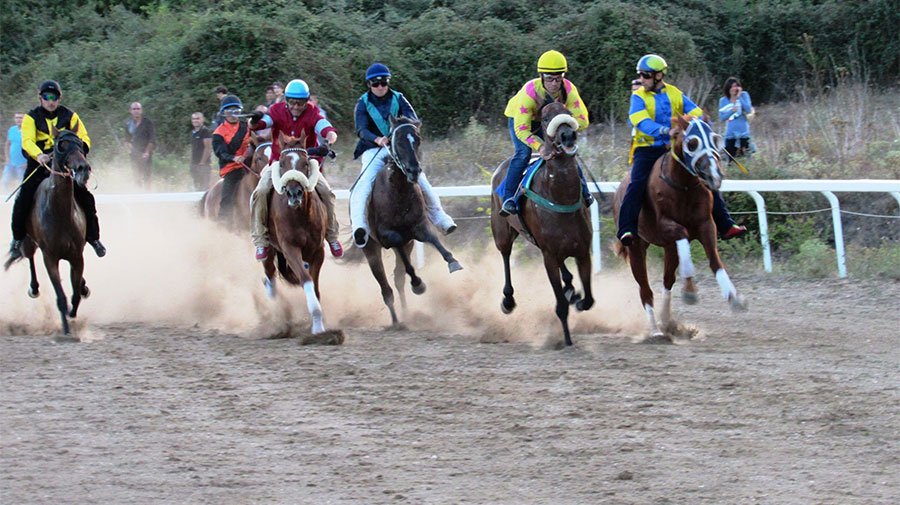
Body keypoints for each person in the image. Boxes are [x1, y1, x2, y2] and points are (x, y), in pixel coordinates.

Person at [617, 54, 746, 246]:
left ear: (658, 76)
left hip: (675, 149)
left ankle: (726, 224)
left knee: (704, 176)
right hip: (647, 149)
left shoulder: (675, 93)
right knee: (636, 183)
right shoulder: (638, 96)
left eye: (645, 75)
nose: (642, 79)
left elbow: (697, 112)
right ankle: (627, 228)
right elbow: (640, 121)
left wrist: (688, 121)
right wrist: (666, 129)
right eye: (641, 75)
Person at [349, 62, 457, 248]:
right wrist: (377, 139)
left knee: (421, 180)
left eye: (384, 82)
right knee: (363, 184)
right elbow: (361, 129)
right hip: (373, 149)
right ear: (369, 85)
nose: (380, 87)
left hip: (398, 147)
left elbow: (412, 120)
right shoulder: (363, 103)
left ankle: (440, 218)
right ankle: (360, 228)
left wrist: (400, 134)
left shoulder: (399, 98)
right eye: (376, 83)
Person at [8, 80, 105, 260]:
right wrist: (39, 155)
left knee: (86, 198)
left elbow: (84, 137)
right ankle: (17, 240)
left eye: (54, 97)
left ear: (59, 99)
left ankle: (93, 237)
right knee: (23, 198)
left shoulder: (70, 116)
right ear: (41, 98)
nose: (50, 101)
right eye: (47, 97)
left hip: (64, 166)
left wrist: (79, 155)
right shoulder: (31, 118)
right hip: (39, 165)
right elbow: (27, 141)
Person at [248, 79, 343, 259]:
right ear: (286, 101)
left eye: (300, 103)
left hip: (306, 164)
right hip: (279, 163)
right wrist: (255, 120)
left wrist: (329, 141)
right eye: (292, 102)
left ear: (307, 101)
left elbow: (327, 129)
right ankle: (260, 240)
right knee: (259, 192)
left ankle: (332, 236)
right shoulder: (276, 111)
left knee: (327, 193)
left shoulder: (313, 112)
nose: (296, 107)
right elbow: (263, 123)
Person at [499, 50, 593, 216]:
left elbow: (583, 119)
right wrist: (540, 146)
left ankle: (584, 192)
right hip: (522, 121)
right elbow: (522, 130)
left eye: (559, 77)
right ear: (541, 76)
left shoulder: (569, 89)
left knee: (566, 150)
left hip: (551, 121)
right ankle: (509, 198)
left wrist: (566, 125)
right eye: (549, 78)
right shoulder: (530, 93)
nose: (555, 83)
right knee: (523, 153)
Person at [211, 95, 251, 226]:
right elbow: (220, 152)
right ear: (224, 113)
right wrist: (234, 158)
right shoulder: (218, 132)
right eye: (229, 112)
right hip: (232, 168)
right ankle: (223, 222)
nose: (233, 115)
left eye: (236, 111)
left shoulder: (247, 127)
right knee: (227, 198)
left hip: (249, 164)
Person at [718, 76, 755, 161]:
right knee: (731, 161)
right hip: (730, 135)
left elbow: (748, 109)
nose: (734, 88)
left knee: (747, 160)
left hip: (744, 133)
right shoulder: (723, 100)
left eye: (736, 86)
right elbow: (721, 118)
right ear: (728, 88)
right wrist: (732, 111)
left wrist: (738, 97)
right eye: (732, 86)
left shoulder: (744, 95)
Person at [124, 101, 156, 189]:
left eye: (138, 109)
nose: (136, 111)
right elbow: (127, 140)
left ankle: (148, 195)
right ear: (130, 111)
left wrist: (146, 152)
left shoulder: (148, 122)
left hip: (145, 154)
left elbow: (152, 139)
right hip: (134, 154)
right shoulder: (128, 124)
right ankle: (138, 194)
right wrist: (130, 150)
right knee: (136, 176)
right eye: (134, 109)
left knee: (147, 176)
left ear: (141, 110)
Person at [2, 112, 28, 191]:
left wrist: (28, 162)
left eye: (20, 118)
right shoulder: (12, 129)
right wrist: (7, 158)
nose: (18, 120)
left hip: (23, 163)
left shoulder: (28, 130)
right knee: (5, 182)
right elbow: (7, 144)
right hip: (11, 162)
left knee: (22, 184)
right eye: (17, 118)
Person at [189, 112, 213, 190]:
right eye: (193, 119)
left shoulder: (205, 131)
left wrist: (202, 163)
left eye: (198, 118)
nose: (195, 120)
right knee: (196, 186)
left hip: (203, 165)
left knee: (204, 187)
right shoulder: (193, 132)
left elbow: (208, 148)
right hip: (194, 164)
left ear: (202, 119)